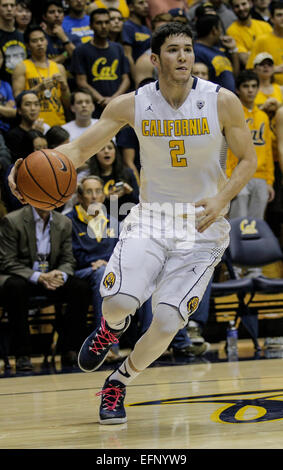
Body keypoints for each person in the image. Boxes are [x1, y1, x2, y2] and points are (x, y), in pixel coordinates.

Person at [10, 22, 257, 424]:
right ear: (155, 59)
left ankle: (119, 381)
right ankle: (112, 328)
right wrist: (26, 174)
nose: (183, 57)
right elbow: (79, 148)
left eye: (189, 50)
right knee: (120, 301)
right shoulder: (132, 103)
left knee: (165, 321)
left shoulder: (221, 100)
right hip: (152, 217)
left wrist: (223, 196)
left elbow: (247, 159)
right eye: (174, 50)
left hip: (202, 225)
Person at [0, 204, 91, 371]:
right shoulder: (12, 221)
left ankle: (70, 349)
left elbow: (68, 260)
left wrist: (60, 275)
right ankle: (22, 354)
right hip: (23, 277)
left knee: (80, 287)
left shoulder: (64, 222)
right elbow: (7, 262)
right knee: (14, 287)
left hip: (51, 276)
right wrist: (38, 277)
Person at [227, 70, 274, 220]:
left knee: (256, 225)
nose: (250, 90)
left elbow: (267, 151)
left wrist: (269, 181)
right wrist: (228, 177)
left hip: (260, 177)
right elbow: (227, 149)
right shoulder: (231, 114)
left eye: (254, 86)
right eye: (246, 86)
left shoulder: (263, 117)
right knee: (237, 224)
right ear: (237, 89)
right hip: (238, 174)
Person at [70, 8, 130, 118]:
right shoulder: (80, 50)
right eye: (99, 23)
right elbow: (81, 82)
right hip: (93, 108)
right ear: (91, 26)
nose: (103, 26)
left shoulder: (118, 48)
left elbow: (126, 79)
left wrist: (113, 100)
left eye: (107, 22)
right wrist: (102, 100)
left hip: (117, 107)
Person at [12, 24, 71, 127]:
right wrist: (39, 88)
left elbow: (68, 104)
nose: (39, 44)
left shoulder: (59, 68)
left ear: (46, 41)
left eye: (42, 39)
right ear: (27, 45)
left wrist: (65, 88)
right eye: (34, 41)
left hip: (59, 123)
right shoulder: (21, 67)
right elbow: (18, 99)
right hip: (34, 125)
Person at [89, 139, 139, 220]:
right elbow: (90, 208)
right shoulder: (91, 179)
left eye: (110, 148)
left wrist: (129, 193)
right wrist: (107, 198)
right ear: (95, 154)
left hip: (128, 220)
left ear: (115, 152)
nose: (106, 151)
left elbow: (139, 203)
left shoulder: (128, 173)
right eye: (101, 149)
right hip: (103, 221)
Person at [193, 14, 238, 92]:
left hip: (229, 98)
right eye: (220, 28)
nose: (221, 31)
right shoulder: (197, 51)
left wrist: (233, 50)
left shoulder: (219, 49)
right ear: (214, 30)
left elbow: (234, 75)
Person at [4, 90, 49, 161]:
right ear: (19, 110)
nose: (33, 108)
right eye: (27, 104)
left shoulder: (46, 129)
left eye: (36, 104)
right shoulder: (12, 136)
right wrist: (34, 135)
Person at [246, 1, 283, 86]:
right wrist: (273, 70)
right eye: (279, 15)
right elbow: (250, 70)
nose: (282, 18)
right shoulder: (261, 40)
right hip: (270, 92)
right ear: (272, 18)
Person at [226, 0, 272, 67]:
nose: (241, 8)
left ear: (250, 4)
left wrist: (251, 53)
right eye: (237, 6)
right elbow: (246, 61)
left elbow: (274, 51)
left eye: (244, 4)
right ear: (232, 9)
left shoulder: (265, 26)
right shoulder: (231, 31)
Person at [122, 0, 151, 82]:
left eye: (146, 2)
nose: (146, 6)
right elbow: (128, 55)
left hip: (147, 72)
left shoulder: (146, 29)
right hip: (135, 75)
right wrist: (136, 78)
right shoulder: (127, 27)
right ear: (131, 7)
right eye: (141, 3)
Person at [0, 0, 27, 84]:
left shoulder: (23, 36)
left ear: (16, 8)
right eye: (4, 6)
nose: (9, 9)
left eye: (12, 5)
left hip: (22, 84)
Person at [42, 0, 76, 65]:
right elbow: (41, 64)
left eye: (60, 12)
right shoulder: (39, 38)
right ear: (44, 17)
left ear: (63, 16)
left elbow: (78, 58)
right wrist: (65, 55)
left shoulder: (74, 37)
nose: (57, 15)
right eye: (52, 12)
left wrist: (64, 38)